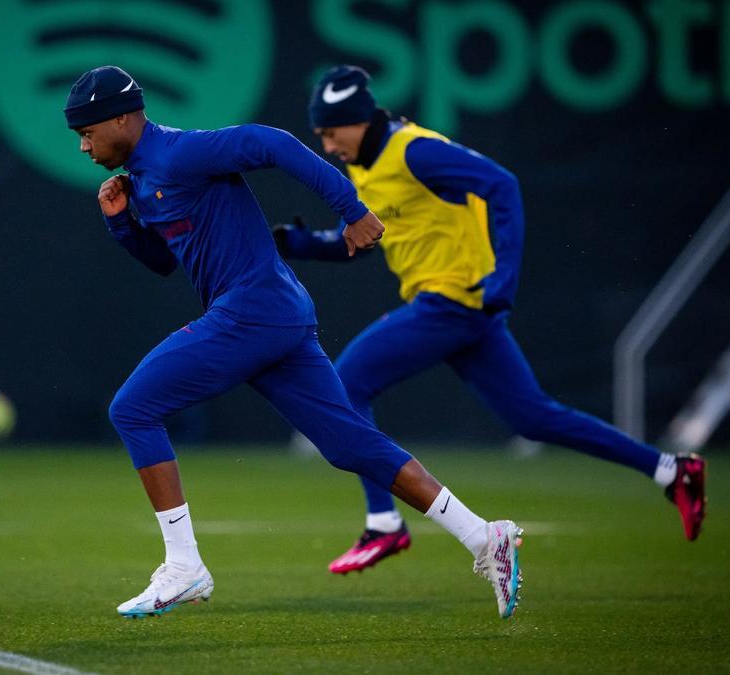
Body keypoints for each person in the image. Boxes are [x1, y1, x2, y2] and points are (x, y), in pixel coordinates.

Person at [64, 65, 523, 619]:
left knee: (134, 408)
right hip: (274, 314)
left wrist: (352, 210)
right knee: (349, 446)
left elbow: (272, 143)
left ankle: (184, 566)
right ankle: (483, 536)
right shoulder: (140, 180)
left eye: (88, 133)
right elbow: (164, 262)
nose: (85, 147)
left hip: (253, 310)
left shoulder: (178, 154)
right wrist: (121, 223)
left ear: (121, 118)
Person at [274, 65, 707, 576]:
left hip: (452, 304)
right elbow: (370, 240)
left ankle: (385, 522)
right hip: (460, 311)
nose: (327, 146)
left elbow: (502, 185)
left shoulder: (414, 149)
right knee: (534, 418)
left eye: (330, 132)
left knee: (345, 386)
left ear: (358, 120)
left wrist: (505, 277)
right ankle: (670, 470)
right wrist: (309, 244)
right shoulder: (365, 165)